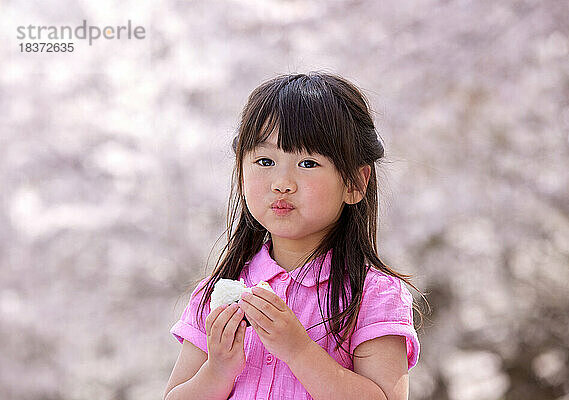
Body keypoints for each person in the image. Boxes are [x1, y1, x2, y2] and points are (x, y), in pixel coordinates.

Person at [163, 71, 427, 400]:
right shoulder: (219, 293)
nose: (282, 182)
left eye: (307, 163)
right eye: (264, 160)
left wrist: (299, 350)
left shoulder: (373, 293)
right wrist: (218, 369)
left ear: (355, 183)